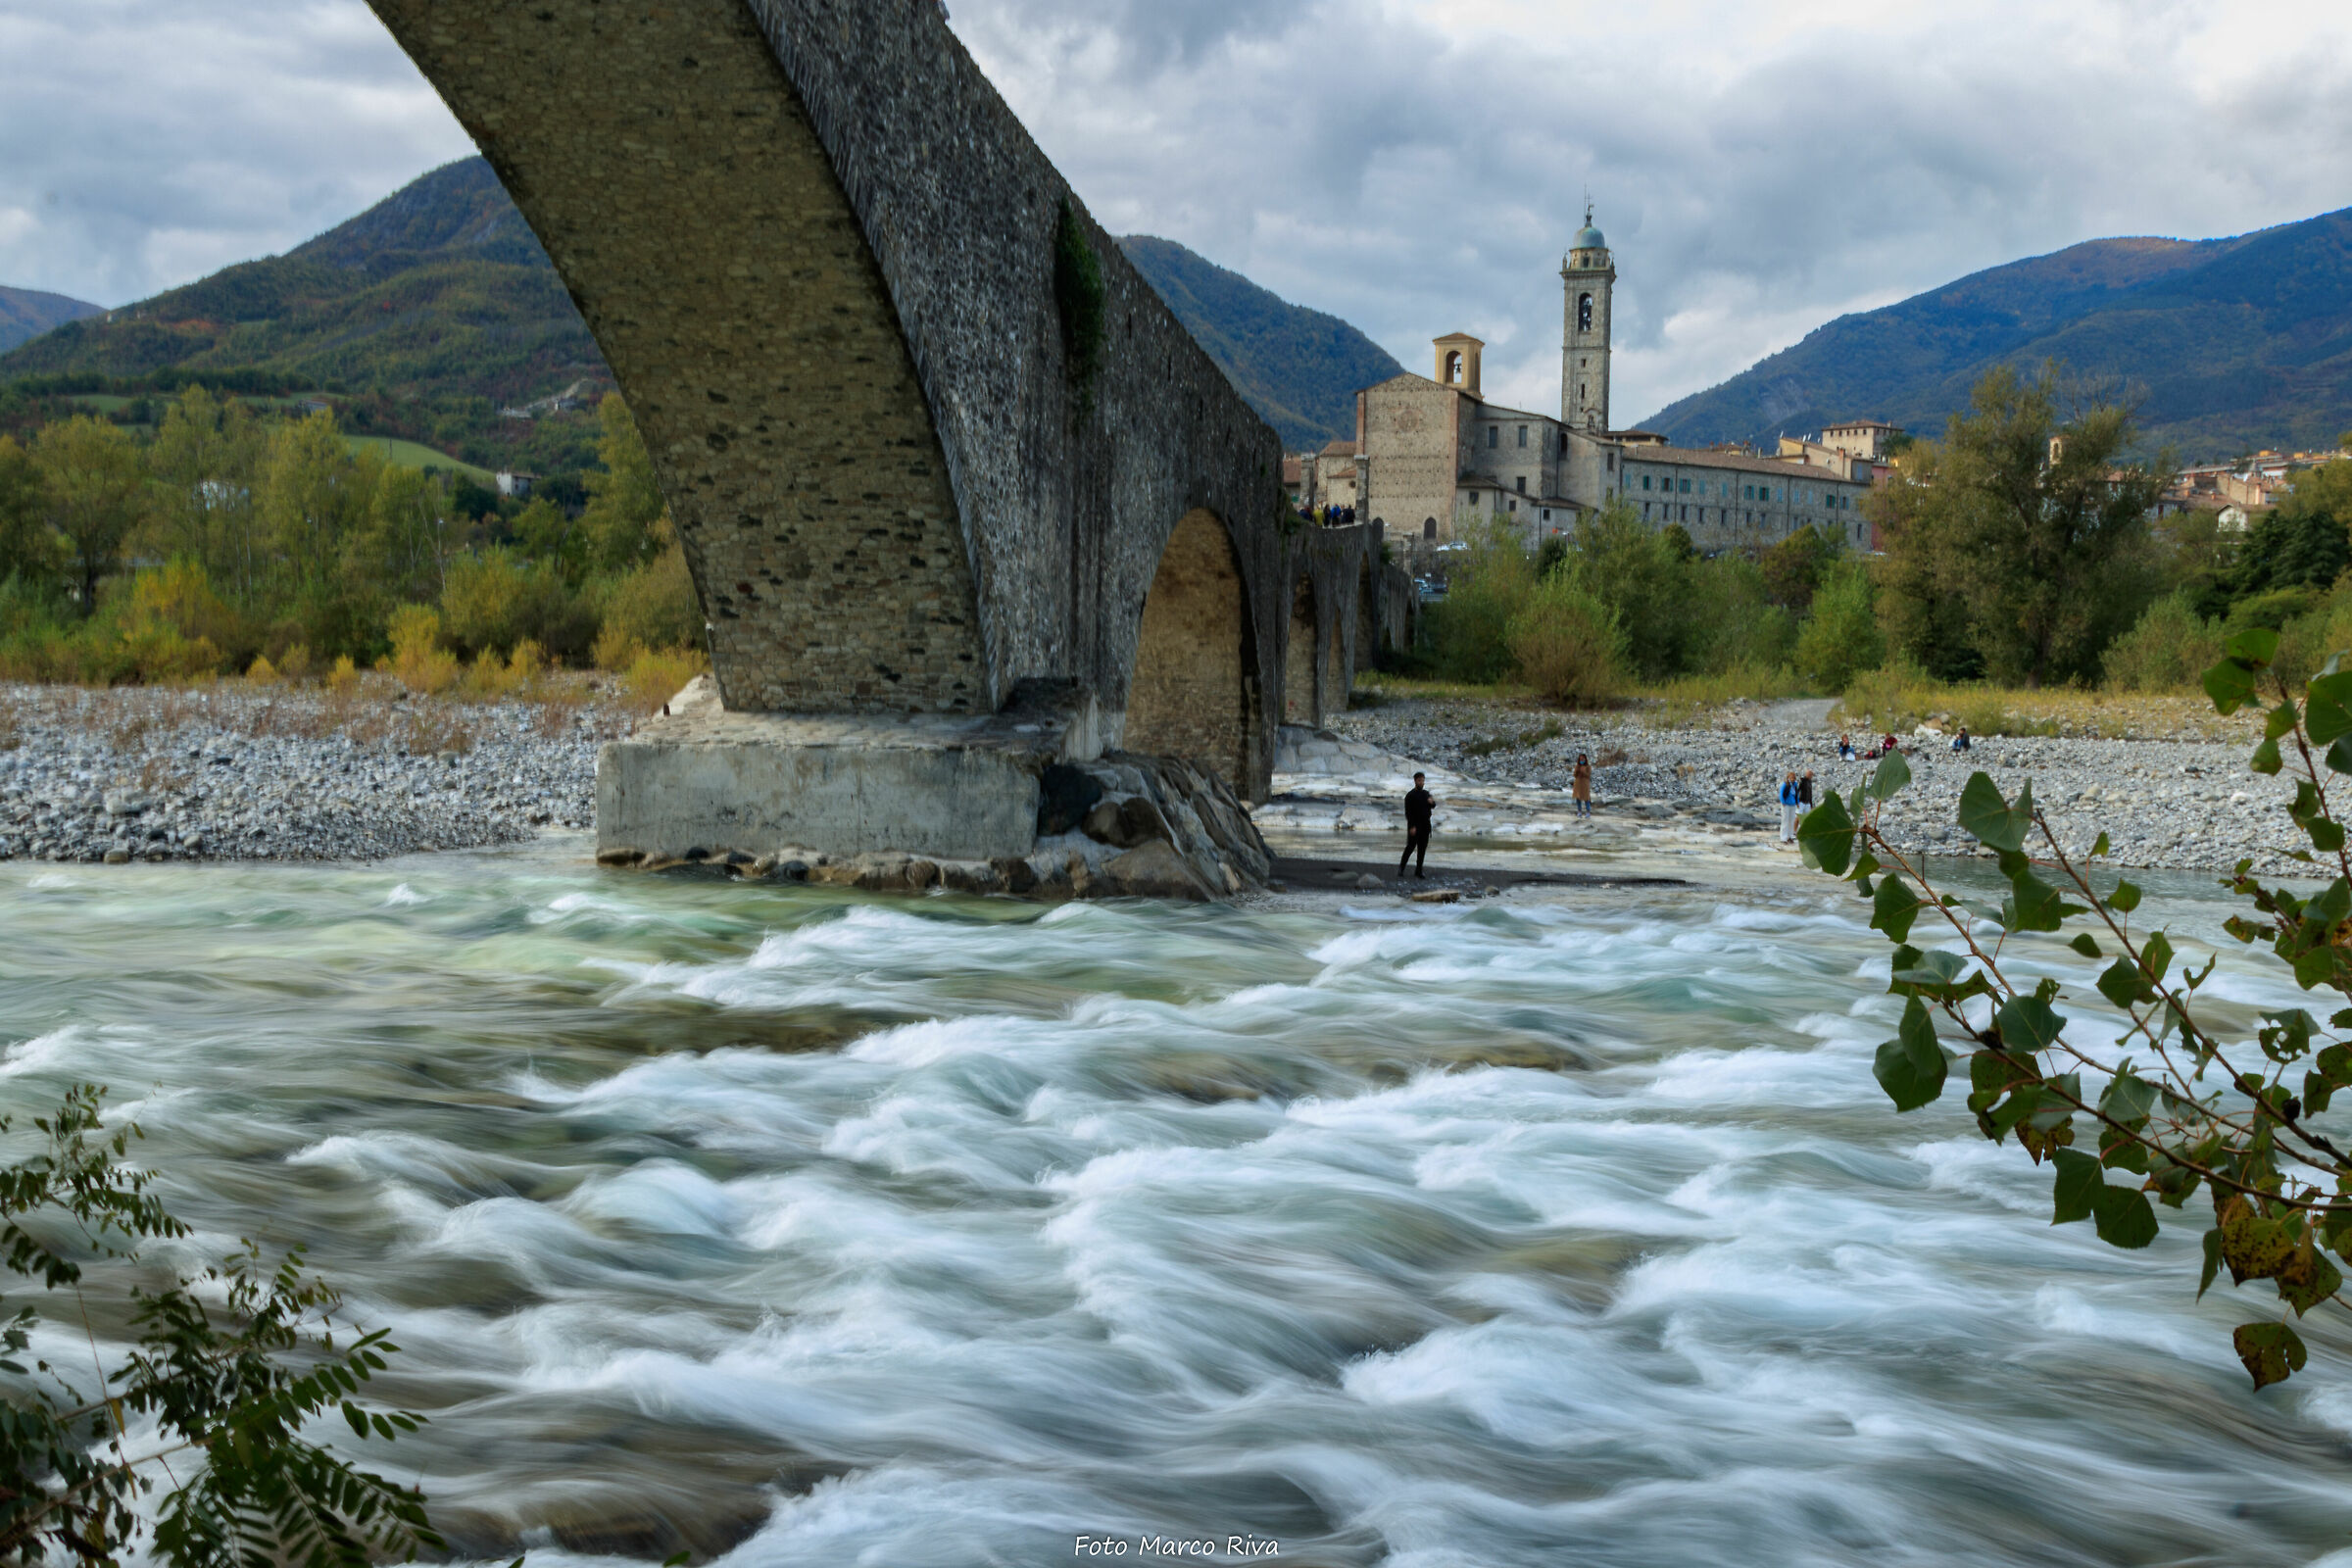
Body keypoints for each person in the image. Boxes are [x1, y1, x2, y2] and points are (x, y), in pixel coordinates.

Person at [1399, 771, 1435, 878]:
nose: (1422, 782)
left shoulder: (1426, 793)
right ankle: (1401, 868)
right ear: (1415, 781)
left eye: (1423, 780)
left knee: (1422, 849)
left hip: (1425, 825)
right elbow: (1408, 813)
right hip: (1415, 825)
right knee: (1410, 847)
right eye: (1420, 780)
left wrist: (1431, 802)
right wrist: (1412, 827)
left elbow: (1433, 805)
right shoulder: (1410, 795)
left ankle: (1418, 870)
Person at [1779, 770, 1800, 844]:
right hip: (1786, 804)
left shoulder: (1795, 785)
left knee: (1791, 821)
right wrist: (1783, 802)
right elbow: (1781, 794)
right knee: (1785, 820)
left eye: (1793, 778)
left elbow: (1796, 794)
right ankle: (1783, 838)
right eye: (1791, 778)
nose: (1792, 779)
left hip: (1793, 804)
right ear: (1788, 778)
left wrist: (1797, 802)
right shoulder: (1785, 784)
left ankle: (1790, 836)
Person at [1571, 753, 1592, 818]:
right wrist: (1577, 771)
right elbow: (1574, 775)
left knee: (1586, 798)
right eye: (1580, 759)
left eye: (1583, 759)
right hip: (1578, 784)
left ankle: (1588, 812)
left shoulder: (1588, 767)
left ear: (1585, 759)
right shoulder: (1577, 766)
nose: (1581, 760)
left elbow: (1588, 775)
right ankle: (1579, 811)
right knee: (1578, 798)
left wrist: (1584, 771)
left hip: (1585, 784)